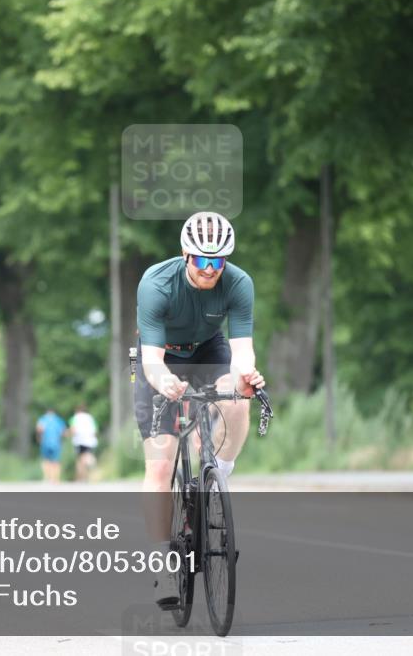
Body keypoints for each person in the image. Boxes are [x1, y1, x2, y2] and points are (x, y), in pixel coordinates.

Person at [133, 211, 265, 608]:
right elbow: (153, 360)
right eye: (202, 260)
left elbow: (242, 350)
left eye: (218, 261)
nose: (210, 269)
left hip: (208, 348)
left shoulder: (239, 284)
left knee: (239, 398)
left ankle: (217, 475)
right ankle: (161, 564)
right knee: (159, 466)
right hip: (161, 359)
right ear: (186, 255)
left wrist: (244, 377)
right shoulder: (156, 284)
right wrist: (164, 382)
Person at [68, 404, 98, 482]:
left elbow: (73, 429)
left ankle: (81, 477)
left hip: (79, 440)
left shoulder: (75, 417)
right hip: (90, 441)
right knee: (86, 456)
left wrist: (69, 435)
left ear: (77, 411)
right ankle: (88, 471)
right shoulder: (90, 418)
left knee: (80, 459)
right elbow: (95, 431)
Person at [36, 409, 67, 482]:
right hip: (56, 443)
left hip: (45, 442)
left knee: (46, 460)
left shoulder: (43, 419)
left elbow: (39, 429)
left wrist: (38, 438)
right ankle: (55, 478)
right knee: (56, 461)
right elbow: (63, 432)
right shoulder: (58, 420)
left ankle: (46, 477)